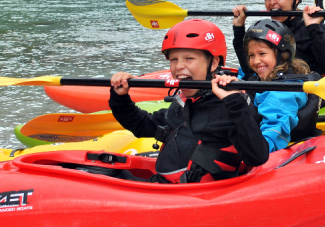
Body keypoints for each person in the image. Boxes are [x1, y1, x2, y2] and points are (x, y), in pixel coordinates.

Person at [109, 19, 269, 184]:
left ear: (213, 63)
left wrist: (236, 104)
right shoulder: (185, 102)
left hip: (194, 197)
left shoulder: (229, 106)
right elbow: (142, 125)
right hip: (163, 187)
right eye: (174, 59)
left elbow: (257, 156)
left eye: (189, 58)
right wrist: (120, 98)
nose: (179, 66)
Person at [233, 0, 325, 77]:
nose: (272, 2)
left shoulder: (312, 28)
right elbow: (248, 69)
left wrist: (313, 28)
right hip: (275, 89)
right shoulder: (267, 28)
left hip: (304, 89)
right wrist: (238, 28)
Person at [241, 19, 321, 152]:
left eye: (262, 54)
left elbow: (274, 130)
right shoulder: (271, 78)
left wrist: (259, 151)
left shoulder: (282, 93)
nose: (255, 61)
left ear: (282, 55)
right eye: (251, 55)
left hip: (274, 146)